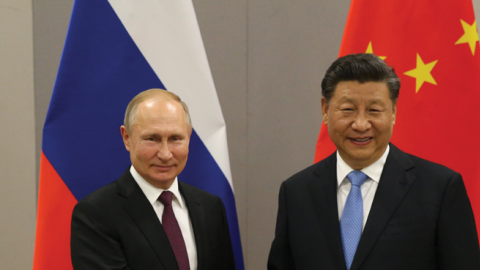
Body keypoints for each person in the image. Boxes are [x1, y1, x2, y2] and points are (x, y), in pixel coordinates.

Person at [267, 53, 480, 270]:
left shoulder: (440, 188)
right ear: (325, 110)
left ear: (394, 112)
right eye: (348, 109)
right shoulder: (296, 192)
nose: (360, 124)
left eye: (374, 110)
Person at [71, 89, 235, 270]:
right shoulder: (96, 214)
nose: (165, 154)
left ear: (189, 137)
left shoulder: (210, 207)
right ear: (127, 138)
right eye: (152, 139)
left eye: (175, 138)